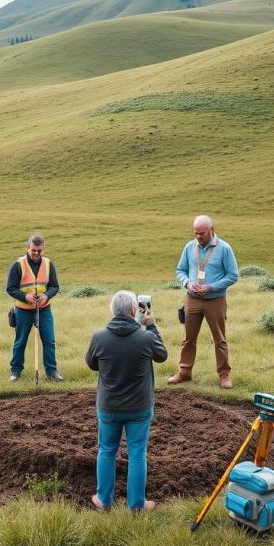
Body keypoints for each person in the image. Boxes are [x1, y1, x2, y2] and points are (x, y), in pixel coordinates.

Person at [85, 291, 168, 511]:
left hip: (109, 405)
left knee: (106, 450)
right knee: (137, 454)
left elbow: (92, 364)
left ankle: (104, 500)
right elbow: (162, 356)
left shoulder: (99, 336)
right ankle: (137, 506)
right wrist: (150, 325)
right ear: (135, 311)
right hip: (140, 407)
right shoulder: (146, 337)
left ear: (112, 311)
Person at [169, 214, 239, 389]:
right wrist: (187, 283)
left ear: (211, 230)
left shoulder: (224, 248)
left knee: (220, 340)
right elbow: (180, 270)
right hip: (191, 300)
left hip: (215, 300)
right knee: (188, 339)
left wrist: (211, 287)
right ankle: (184, 372)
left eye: (202, 233)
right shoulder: (189, 247)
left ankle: (224, 375)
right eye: (196, 233)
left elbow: (233, 275)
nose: (198, 237)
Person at [6, 233, 62, 382]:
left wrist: (47, 295)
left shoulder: (49, 264)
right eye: (33, 251)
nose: (36, 254)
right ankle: (15, 372)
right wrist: (25, 297)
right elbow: (10, 288)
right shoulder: (18, 265)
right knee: (20, 341)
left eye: (39, 251)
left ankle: (52, 372)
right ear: (28, 248)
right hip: (23, 310)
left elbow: (54, 286)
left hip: (44, 310)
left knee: (49, 341)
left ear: (43, 249)